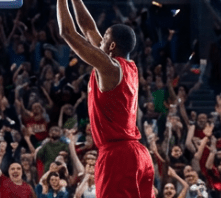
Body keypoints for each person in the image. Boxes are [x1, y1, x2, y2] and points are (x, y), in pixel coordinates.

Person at [57, 0, 153, 197]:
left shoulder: (109, 67)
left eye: (104, 39)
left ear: (112, 46)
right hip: (137, 154)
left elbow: (67, 33)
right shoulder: (129, 66)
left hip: (118, 156)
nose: (98, 41)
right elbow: (88, 27)